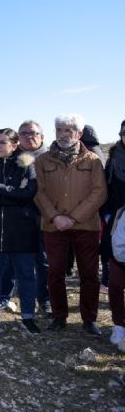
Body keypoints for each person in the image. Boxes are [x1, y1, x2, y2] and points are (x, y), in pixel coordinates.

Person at [34, 113, 106, 335]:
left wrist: (73, 218)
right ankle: (59, 316)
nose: (63, 134)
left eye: (68, 130)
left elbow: (99, 192)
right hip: (54, 227)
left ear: (79, 133)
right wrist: (55, 217)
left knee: (89, 274)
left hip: (86, 227)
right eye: (59, 130)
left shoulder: (92, 160)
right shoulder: (42, 160)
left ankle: (89, 318)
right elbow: (38, 192)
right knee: (55, 273)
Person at [0, 128, 41, 334]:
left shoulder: (26, 165)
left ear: (14, 145)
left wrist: (0, 189)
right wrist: (13, 191)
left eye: (3, 142)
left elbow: (29, 194)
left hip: (21, 230)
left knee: (26, 275)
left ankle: (28, 317)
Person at [0, 121, 52, 317]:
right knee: (10, 261)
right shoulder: (11, 158)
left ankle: (44, 300)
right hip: (16, 216)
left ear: (42, 136)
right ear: (18, 137)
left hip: (45, 217)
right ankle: (3, 297)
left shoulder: (51, 157)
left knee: (43, 261)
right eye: (24, 133)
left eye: (33, 133)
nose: (29, 137)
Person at [102, 120, 125, 345]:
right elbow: (107, 191)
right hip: (119, 224)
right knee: (116, 282)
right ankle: (119, 326)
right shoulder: (114, 160)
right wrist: (109, 217)